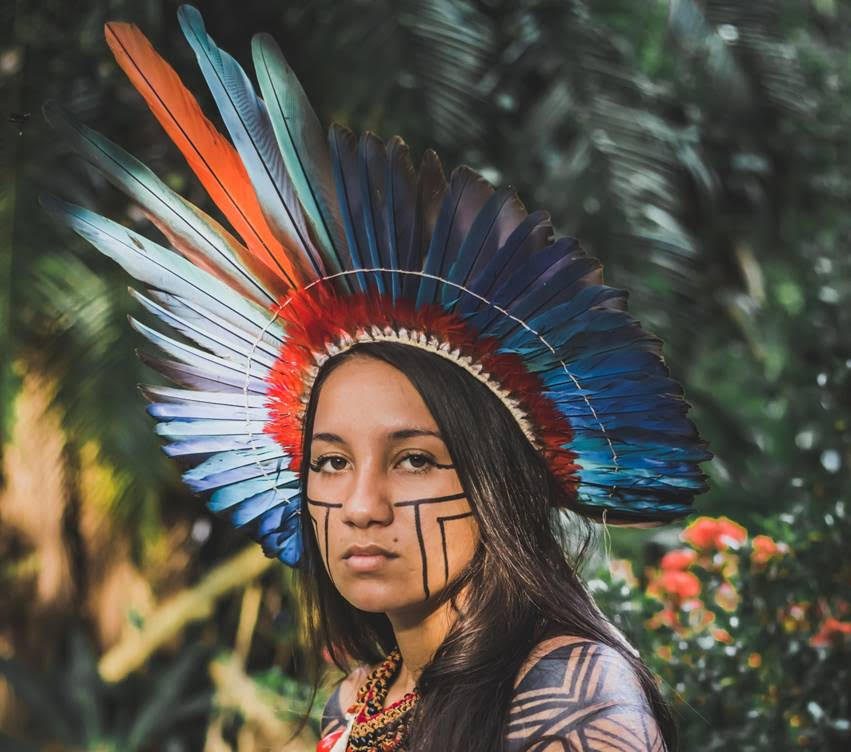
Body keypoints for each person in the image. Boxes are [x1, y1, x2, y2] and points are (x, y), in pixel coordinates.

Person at [45, 5, 712, 750]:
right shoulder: (357, 703)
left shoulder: (570, 695)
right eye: (330, 462)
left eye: (415, 459)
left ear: (501, 482)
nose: (362, 507)